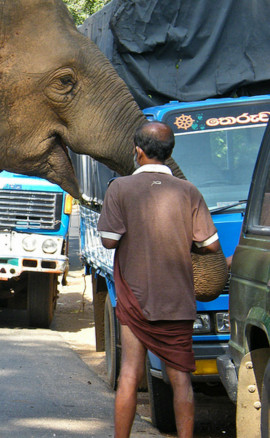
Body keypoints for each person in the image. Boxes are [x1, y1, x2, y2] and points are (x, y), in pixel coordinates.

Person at [97, 121, 221, 438]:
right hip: (177, 299)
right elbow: (211, 246)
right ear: (170, 153)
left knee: (129, 373)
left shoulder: (120, 189)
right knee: (181, 379)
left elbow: (109, 241)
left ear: (137, 152)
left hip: (135, 298)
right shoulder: (189, 191)